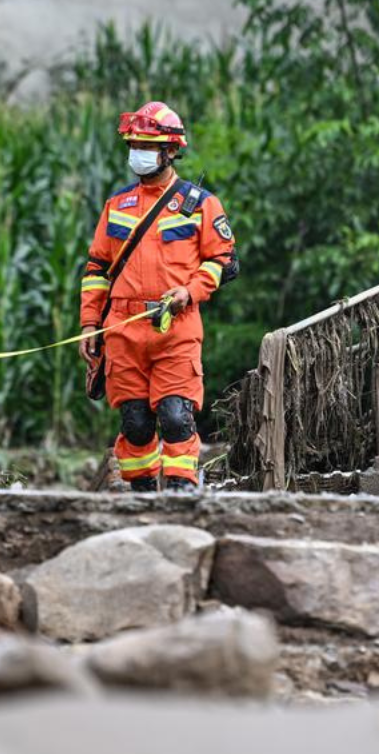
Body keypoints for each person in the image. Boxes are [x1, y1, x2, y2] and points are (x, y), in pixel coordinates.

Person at [79, 101, 238, 492]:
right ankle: (143, 493)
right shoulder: (117, 206)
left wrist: (190, 291)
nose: (139, 154)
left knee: (175, 416)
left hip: (175, 327)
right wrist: (89, 324)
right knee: (134, 422)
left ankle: (183, 490)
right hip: (122, 331)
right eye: (134, 145)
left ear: (170, 150)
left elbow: (224, 260)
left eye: (147, 146)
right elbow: (97, 269)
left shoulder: (199, 204)